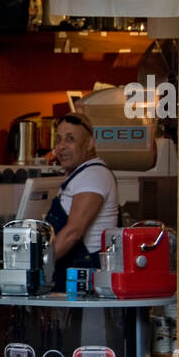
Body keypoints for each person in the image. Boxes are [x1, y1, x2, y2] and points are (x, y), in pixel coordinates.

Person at [47, 113, 120, 275]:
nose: (62, 146)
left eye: (70, 139)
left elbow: (73, 233)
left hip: (84, 275)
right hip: (69, 272)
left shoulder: (92, 175)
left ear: (89, 144)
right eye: (58, 140)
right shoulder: (81, 174)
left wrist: (36, 266)